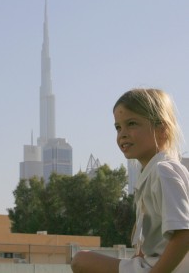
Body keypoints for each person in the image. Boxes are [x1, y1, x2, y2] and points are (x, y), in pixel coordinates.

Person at [71, 88, 189, 273]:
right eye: (118, 127)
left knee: (81, 260)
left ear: (162, 130)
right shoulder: (149, 175)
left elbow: (184, 233)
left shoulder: (164, 171)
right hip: (151, 265)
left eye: (132, 124)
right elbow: (150, 244)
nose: (122, 134)